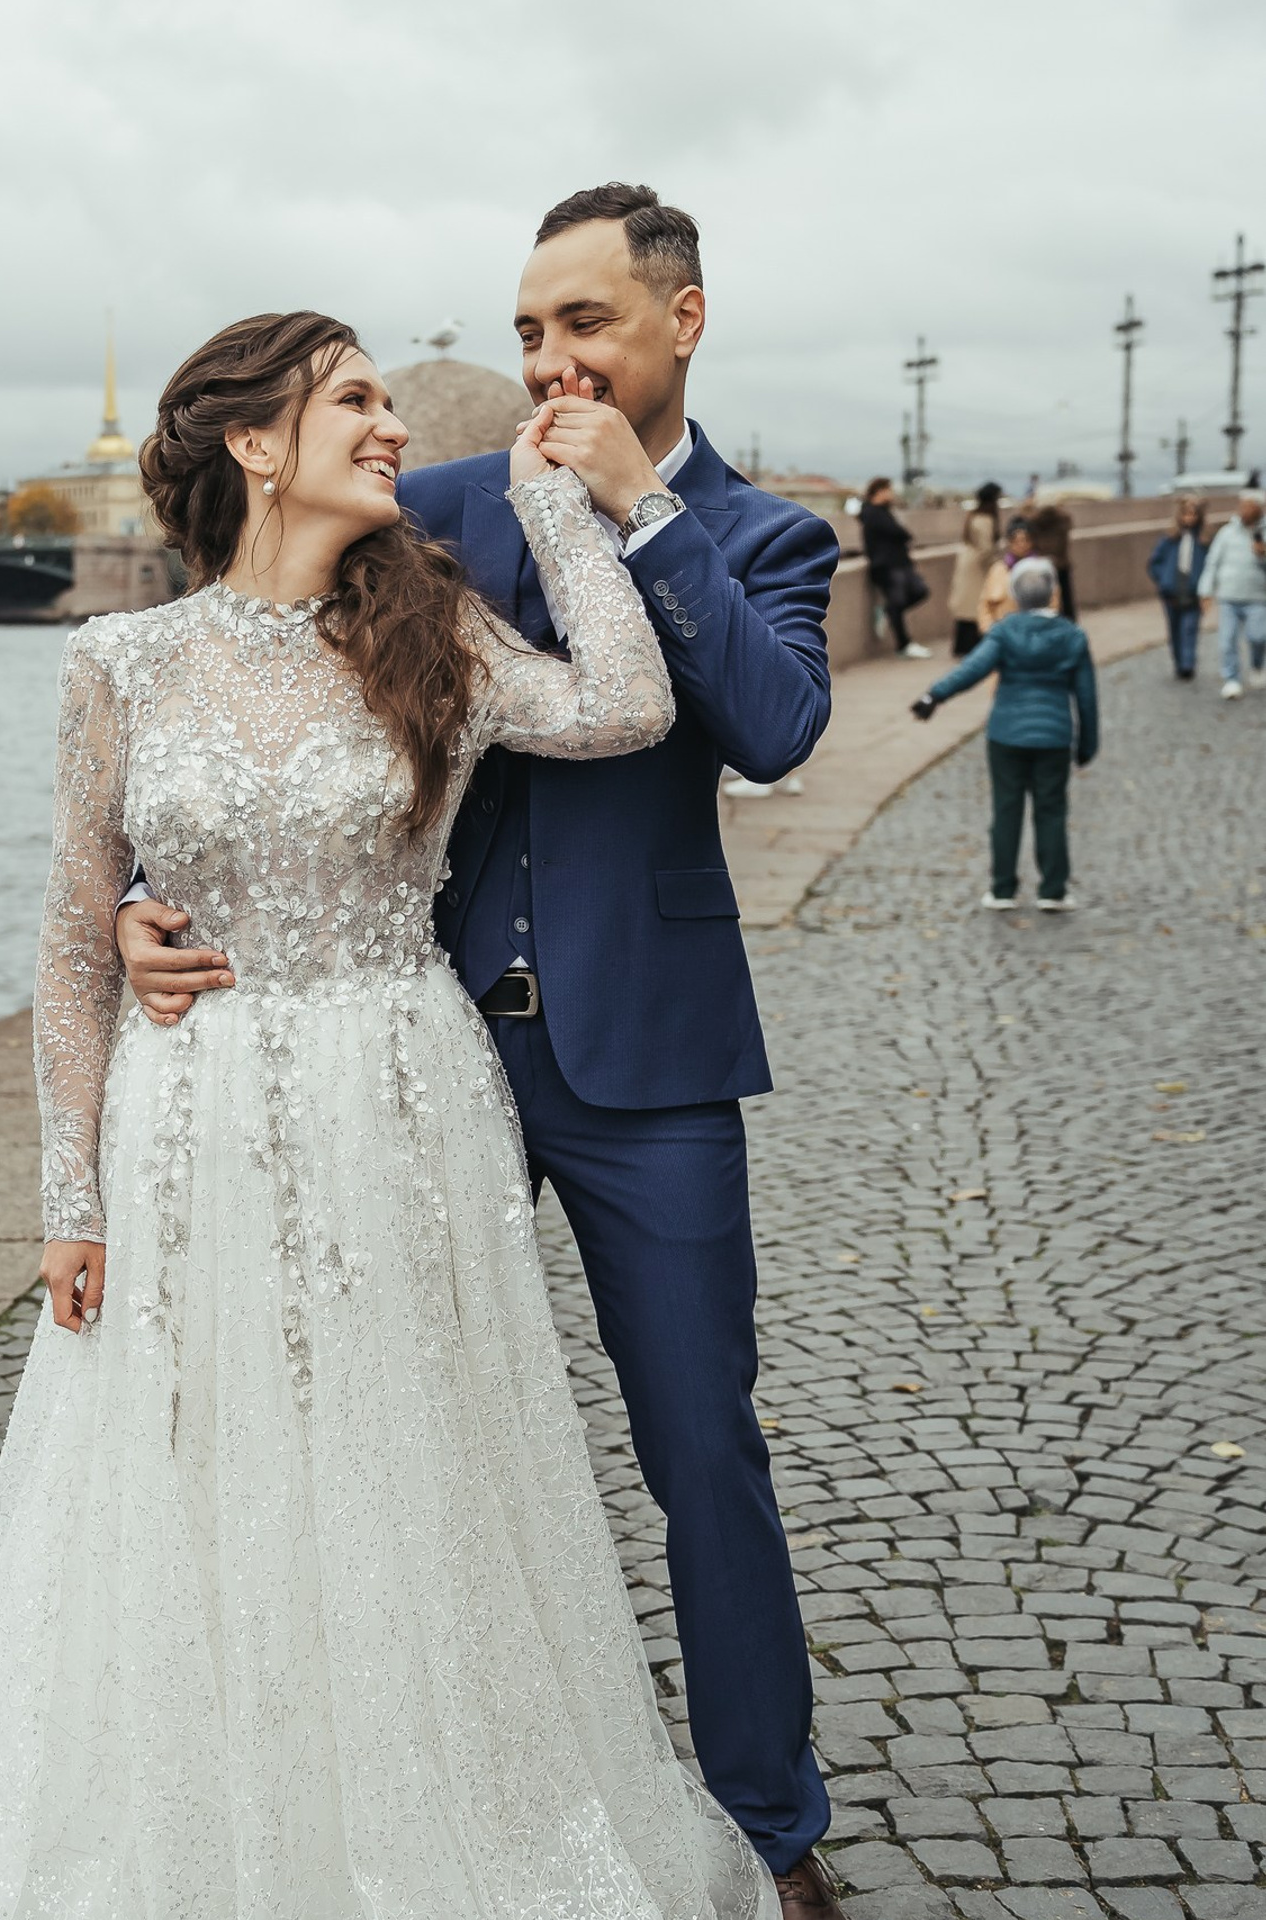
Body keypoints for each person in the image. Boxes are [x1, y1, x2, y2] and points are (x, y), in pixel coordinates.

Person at [0, 311, 786, 1918]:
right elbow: (76, 937)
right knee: (202, 1457)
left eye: (389, 399)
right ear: (256, 445)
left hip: (402, 1102)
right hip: (190, 1113)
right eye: (354, 400)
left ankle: (428, 1808)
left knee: (406, 1462)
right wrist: (68, 1197)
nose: (392, 425)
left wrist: (568, 506)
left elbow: (626, 708)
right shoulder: (119, 662)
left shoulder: (439, 635)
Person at [118, 184, 846, 1919]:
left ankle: (770, 1823)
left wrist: (638, 513)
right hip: (409, 1054)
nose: (548, 359)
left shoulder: (763, 538)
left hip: (645, 1068)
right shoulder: (430, 506)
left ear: (681, 320)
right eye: (527, 330)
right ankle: (410, 1791)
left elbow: (779, 728)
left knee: (703, 1448)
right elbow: (249, 679)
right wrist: (148, 892)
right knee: (378, 1428)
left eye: (582, 324)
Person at [911, 557, 1097, 911]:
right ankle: (1053, 889)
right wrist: (1087, 744)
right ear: (1053, 594)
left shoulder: (1005, 631)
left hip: (1007, 732)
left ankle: (1002, 888)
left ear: (1015, 596)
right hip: (1054, 734)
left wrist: (934, 695)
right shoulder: (1072, 637)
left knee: (1006, 809)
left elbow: (973, 669)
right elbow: (1086, 698)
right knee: (1051, 810)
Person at [1199, 488, 1266, 699]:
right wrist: (1206, 590)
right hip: (1228, 595)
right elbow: (1213, 562)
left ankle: (1257, 664)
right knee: (1227, 640)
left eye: (1249, 506)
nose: (1244, 510)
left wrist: (1262, 555)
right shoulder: (1227, 532)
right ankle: (1231, 679)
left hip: (1257, 596)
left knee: (1258, 636)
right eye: (1242, 505)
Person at [858, 476, 932, 659]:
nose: (891, 494)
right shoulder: (873, 513)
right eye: (888, 490)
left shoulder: (883, 512)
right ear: (879, 491)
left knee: (919, 591)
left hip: (900, 563)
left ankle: (888, 612)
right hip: (886, 566)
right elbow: (898, 533)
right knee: (897, 602)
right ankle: (903, 644)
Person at [1148, 496, 1209, 680]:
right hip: (1171, 592)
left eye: (1193, 514)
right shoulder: (1169, 539)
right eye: (1186, 514)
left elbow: (1211, 566)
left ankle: (1187, 665)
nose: (1189, 518)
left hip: (1193, 593)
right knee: (1174, 630)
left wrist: (1206, 588)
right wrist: (1164, 580)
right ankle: (1178, 660)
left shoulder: (1203, 542)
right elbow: (1154, 563)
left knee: (1189, 629)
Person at [948, 481, 1004, 655]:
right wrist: (997, 566)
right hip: (977, 567)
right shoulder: (985, 519)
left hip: (969, 564)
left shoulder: (974, 516)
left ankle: (962, 645)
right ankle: (971, 645)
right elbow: (987, 549)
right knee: (975, 606)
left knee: (967, 607)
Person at [979, 519, 1053, 632]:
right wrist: (990, 630)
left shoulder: (1042, 568)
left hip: (1035, 632)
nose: (1021, 545)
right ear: (1009, 542)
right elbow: (985, 606)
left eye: (1025, 540)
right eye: (1016, 541)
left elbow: (1053, 603)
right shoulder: (998, 570)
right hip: (1004, 633)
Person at [1028, 493, 1077, 620]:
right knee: (1066, 599)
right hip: (1061, 564)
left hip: (1042, 565)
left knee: (1043, 601)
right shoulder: (1063, 519)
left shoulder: (1034, 521)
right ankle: (1069, 625)